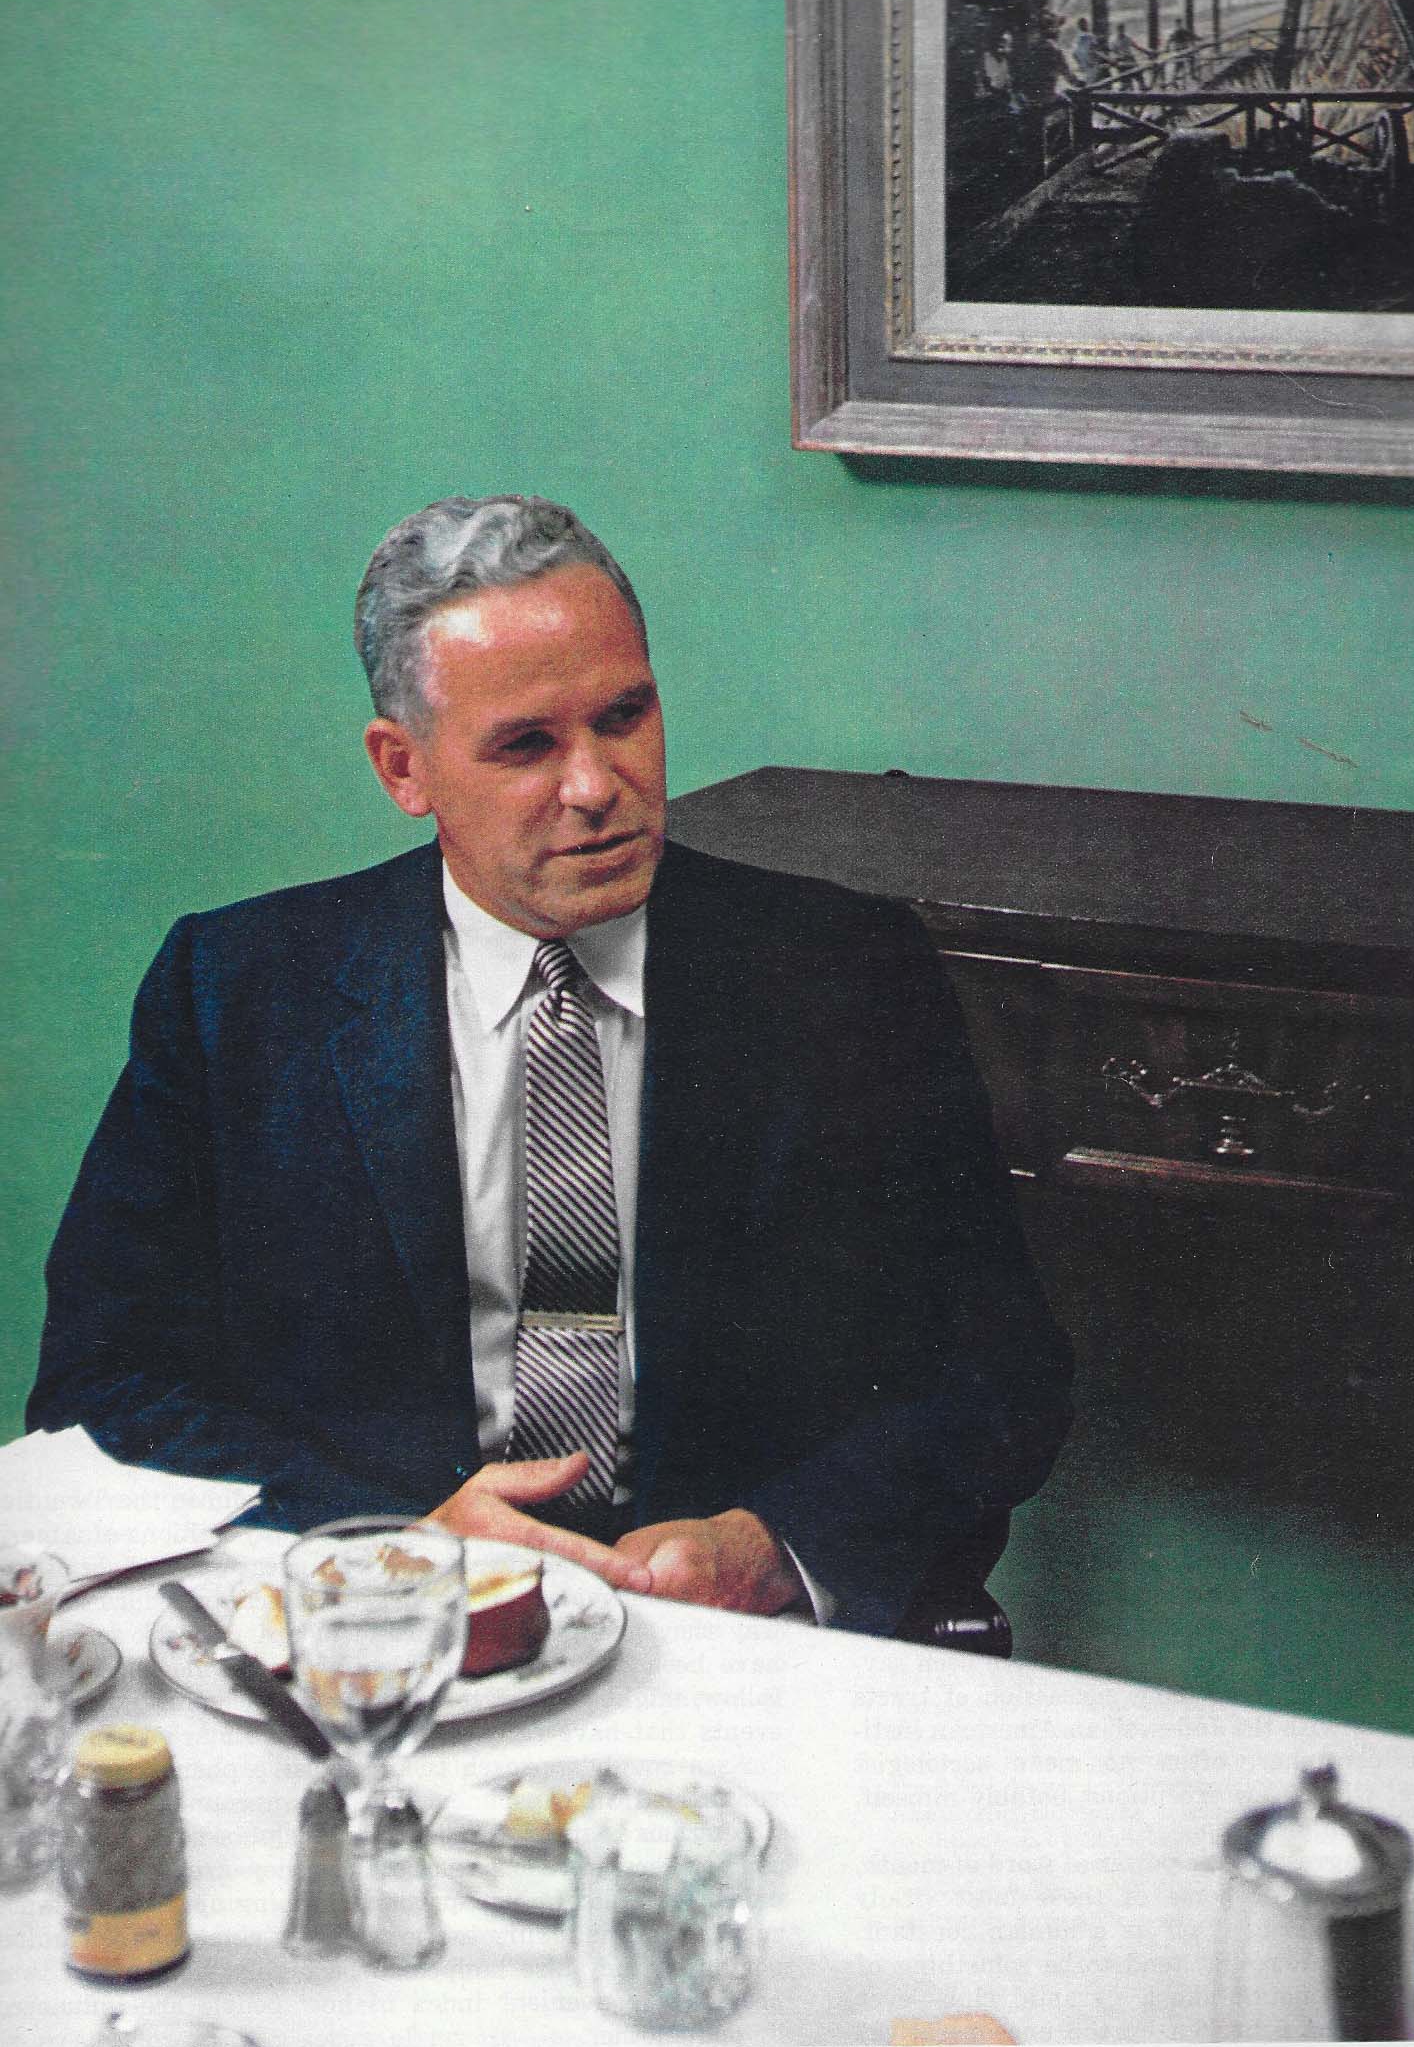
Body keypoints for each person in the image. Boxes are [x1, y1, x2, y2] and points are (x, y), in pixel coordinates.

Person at [30, 496, 1073, 1641]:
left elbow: (1003, 1372)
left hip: (741, 1644)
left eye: (624, 716)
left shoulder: (845, 971)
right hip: (377, 1626)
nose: (595, 785)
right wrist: (390, 1540)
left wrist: (770, 1547)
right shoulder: (236, 993)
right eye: (526, 744)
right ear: (404, 767)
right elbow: (102, 1389)